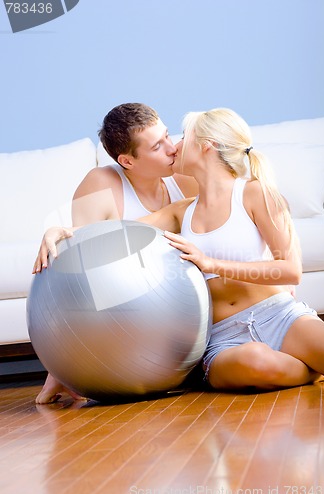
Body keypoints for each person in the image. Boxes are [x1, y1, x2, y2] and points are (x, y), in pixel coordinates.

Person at [43, 107, 324, 391]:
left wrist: (212, 264)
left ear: (207, 147)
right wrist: (61, 232)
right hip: (222, 336)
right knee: (256, 362)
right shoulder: (180, 211)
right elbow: (118, 234)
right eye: (162, 143)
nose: (173, 147)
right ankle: (312, 372)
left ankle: (311, 361)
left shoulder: (257, 193)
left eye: (179, 137)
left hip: (278, 314)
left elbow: (291, 271)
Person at [33, 102, 199, 404]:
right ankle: (59, 374)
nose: (172, 148)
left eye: (166, 135)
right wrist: (56, 231)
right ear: (128, 160)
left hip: (180, 311)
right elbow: (81, 272)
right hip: (128, 318)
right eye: (157, 146)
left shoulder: (183, 176)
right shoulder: (102, 183)